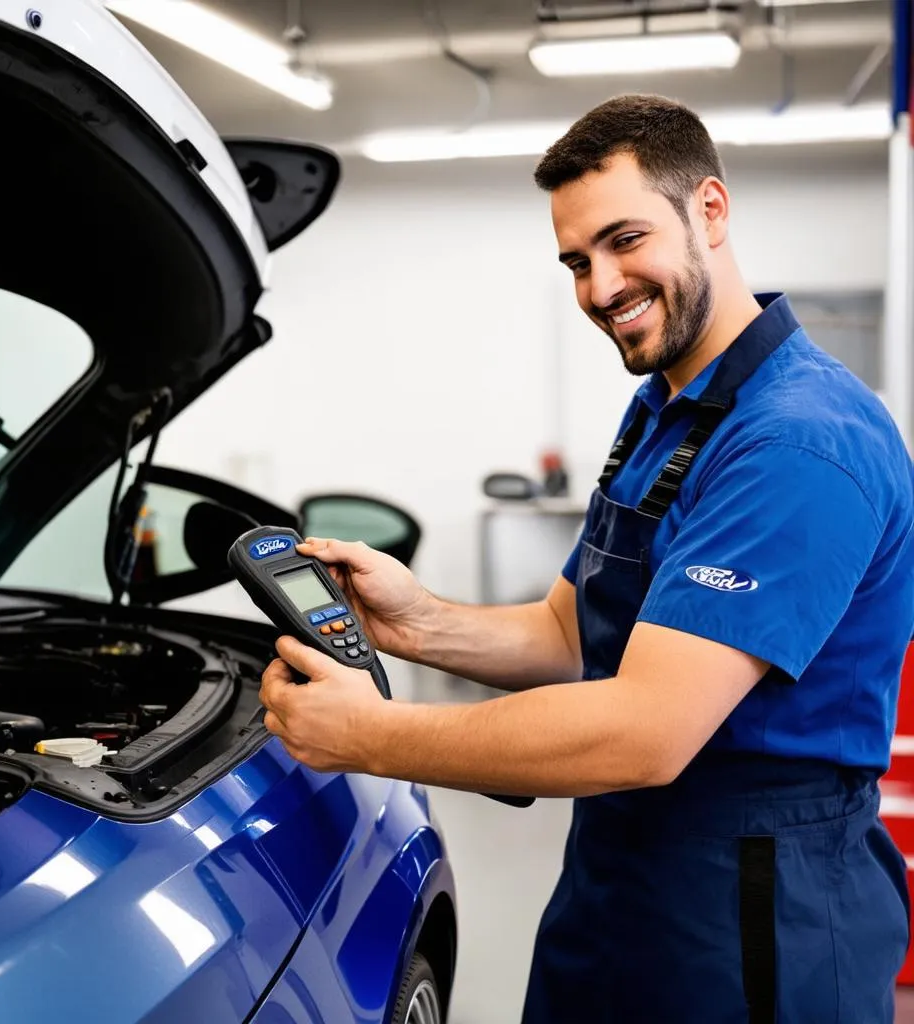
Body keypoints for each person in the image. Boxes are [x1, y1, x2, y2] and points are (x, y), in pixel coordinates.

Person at [259, 93, 914, 1023]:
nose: (600, 287)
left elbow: (645, 729)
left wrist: (368, 736)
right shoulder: (667, 403)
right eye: (576, 261)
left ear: (711, 212)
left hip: (758, 912)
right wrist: (419, 622)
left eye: (625, 240)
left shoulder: (796, 443)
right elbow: (573, 628)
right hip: (621, 882)